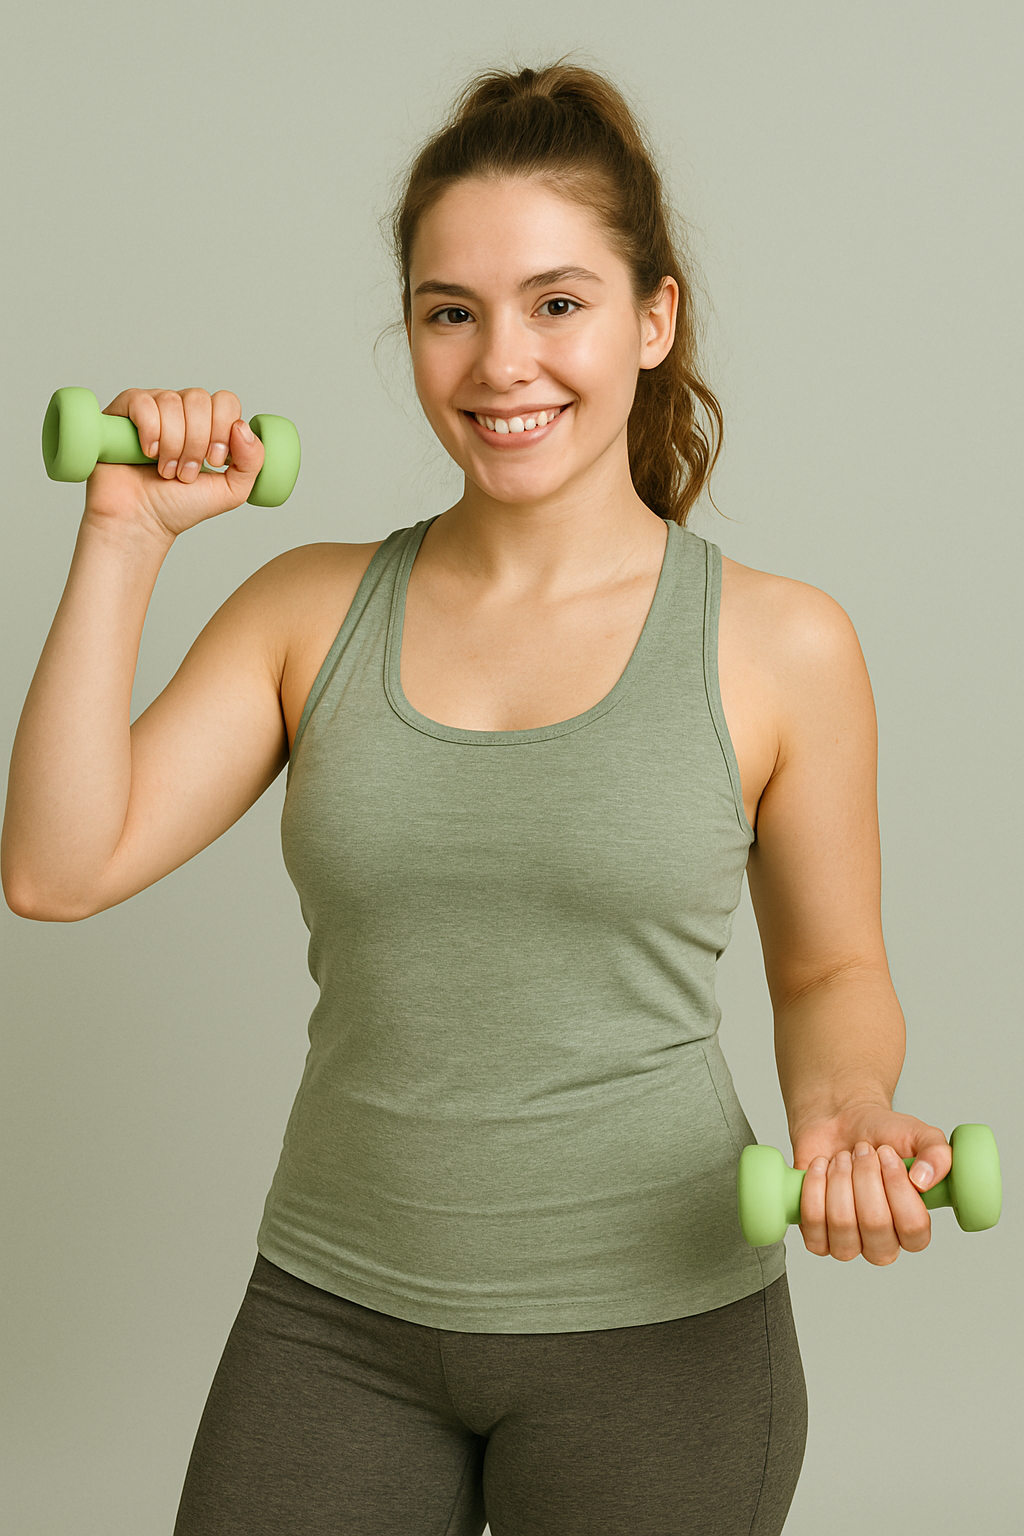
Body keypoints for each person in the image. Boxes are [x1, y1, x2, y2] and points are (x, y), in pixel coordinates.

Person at [2, 57, 953, 1536]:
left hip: (663, 1333)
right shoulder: (307, 611)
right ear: (414, 332)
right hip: (333, 1317)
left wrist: (843, 1113)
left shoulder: (782, 642)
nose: (503, 360)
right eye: (454, 311)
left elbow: (832, 967)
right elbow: (57, 870)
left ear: (654, 318)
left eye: (558, 302)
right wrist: (121, 537)